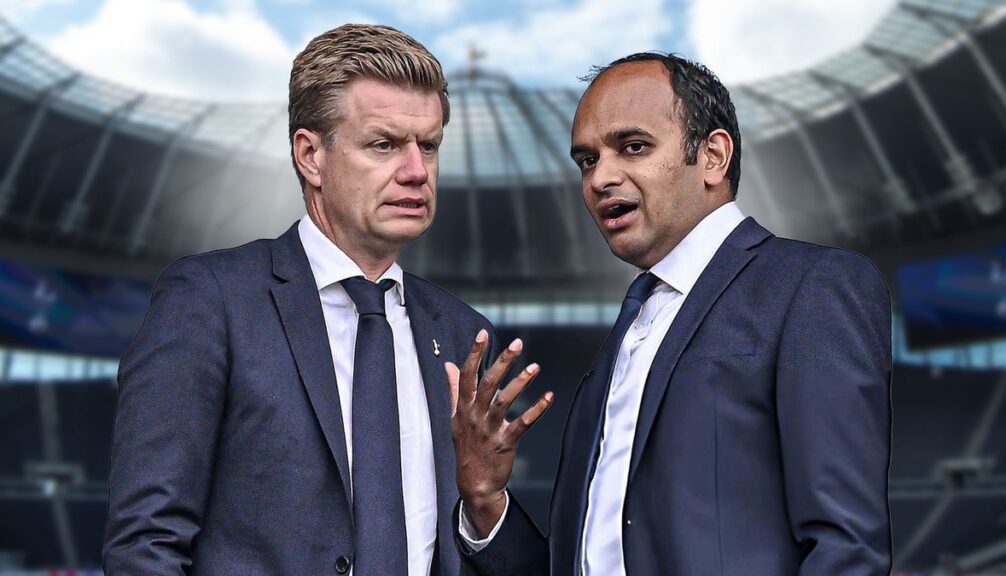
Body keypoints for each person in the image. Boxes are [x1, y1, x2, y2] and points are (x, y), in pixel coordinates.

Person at [448, 53, 892, 575]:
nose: (600, 178)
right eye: (587, 160)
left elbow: (846, 550)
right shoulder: (631, 330)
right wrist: (485, 499)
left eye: (632, 147)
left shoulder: (811, 286)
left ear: (713, 156)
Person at [103, 24, 496, 576]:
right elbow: (146, 542)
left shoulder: (462, 332)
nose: (415, 172)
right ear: (310, 156)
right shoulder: (212, 301)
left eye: (427, 146)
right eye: (383, 144)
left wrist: (486, 510)